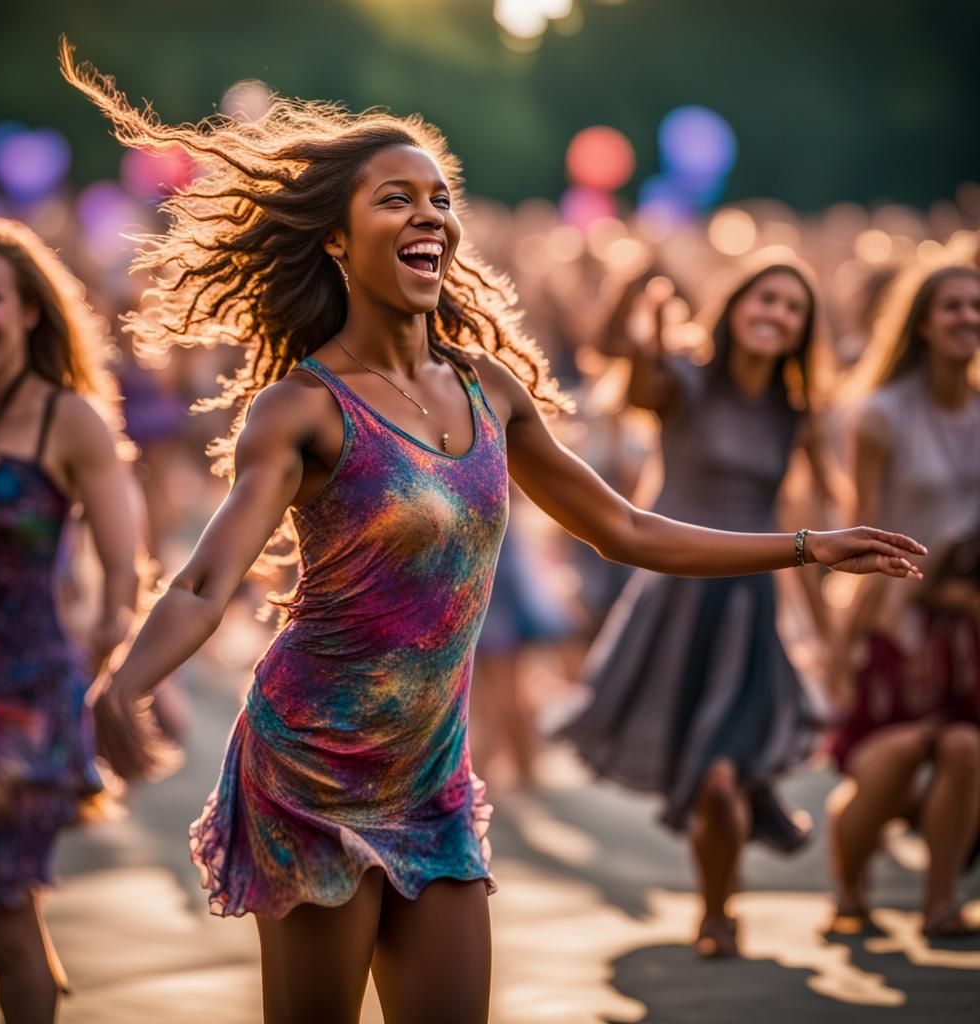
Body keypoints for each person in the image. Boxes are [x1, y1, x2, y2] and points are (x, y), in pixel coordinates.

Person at [60, 43, 926, 1024]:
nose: (428, 215)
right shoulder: (301, 410)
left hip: (430, 780)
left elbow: (628, 527)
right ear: (337, 239)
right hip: (312, 769)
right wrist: (126, 682)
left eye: (438, 198)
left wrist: (807, 545)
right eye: (395, 198)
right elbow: (204, 583)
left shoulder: (490, 391)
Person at [560, 259, 838, 958]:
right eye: (764, 299)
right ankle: (725, 892)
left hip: (750, 604)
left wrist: (828, 629)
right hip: (678, 597)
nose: (775, 313)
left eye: (792, 307)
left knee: (722, 772)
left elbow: (802, 514)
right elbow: (638, 381)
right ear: (735, 304)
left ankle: (719, 909)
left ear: (804, 328)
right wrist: (645, 330)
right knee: (712, 768)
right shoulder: (684, 376)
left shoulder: (795, 410)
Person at [0, 217, 139, 1024]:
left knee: (4, 916)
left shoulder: (68, 422)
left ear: (29, 311)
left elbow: (121, 574)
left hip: (23, 706)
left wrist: (101, 663)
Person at [827, 263, 980, 938]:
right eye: (952, 307)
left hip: (968, 627)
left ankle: (939, 903)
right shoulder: (881, 415)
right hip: (894, 619)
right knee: (895, 758)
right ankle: (850, 890)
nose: (968, 318)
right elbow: (860, 527)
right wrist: (842, 645)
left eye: (977, 306)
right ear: (921, 321)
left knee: (965, 751)